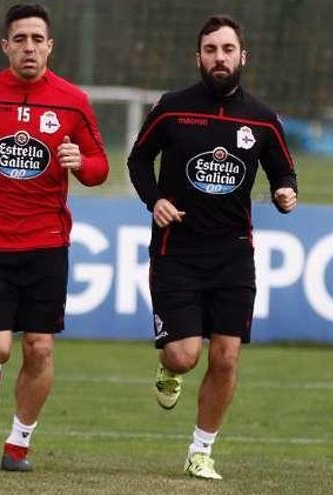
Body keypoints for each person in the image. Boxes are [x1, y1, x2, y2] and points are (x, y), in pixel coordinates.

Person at [126, 15, 298, 480]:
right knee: (183, 355)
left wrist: (286, 193)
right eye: (210, 50)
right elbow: (138, 160)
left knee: (226, 356)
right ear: (197, 57)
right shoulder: (171, 108)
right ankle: (169, 369)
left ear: (243, 55)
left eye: (227, 49)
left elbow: (284, 171)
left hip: (234, 256)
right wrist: (155, 199)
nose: (218, 58)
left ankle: (200, 450)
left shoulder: (261, 118)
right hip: (176, 251)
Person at [0, 3, 109, 472]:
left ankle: (18, 444)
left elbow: (100, 166)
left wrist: (83, 164)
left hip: (47, 244)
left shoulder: (73, 100)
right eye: (21, 39)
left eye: (38, 39)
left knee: (39, 346)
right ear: (6, 46)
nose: (30, 47)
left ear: (50, 46)